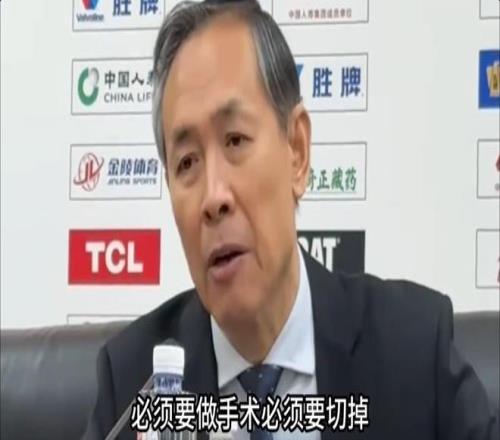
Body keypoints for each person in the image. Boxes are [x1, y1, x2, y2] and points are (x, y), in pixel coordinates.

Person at [83, 1, 498, 439]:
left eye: (235, 140)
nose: (213, 196)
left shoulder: (413, 352)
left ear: (296, 150)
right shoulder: (132, 385)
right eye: (187, 162)